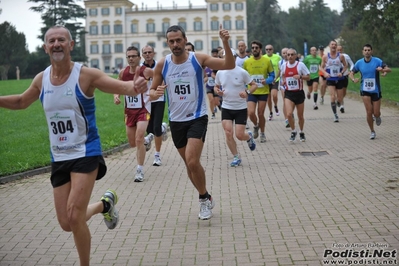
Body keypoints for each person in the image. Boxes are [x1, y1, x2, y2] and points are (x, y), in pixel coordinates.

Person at [0, 25, 149, 266]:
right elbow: (19, 102)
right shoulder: (41, 79)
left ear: (71, 45)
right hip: (58, 156)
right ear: (45, 47)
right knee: (67, 223)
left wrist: (136, 87)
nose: (56, 44)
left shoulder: (85, 75)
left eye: (61, 40)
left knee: (74, 214)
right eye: (51, 41)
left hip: (85, 152)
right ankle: (105, 205)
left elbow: (122, 87)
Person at [149, 24, 235, 220]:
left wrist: (225, 43)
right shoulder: (163, 65)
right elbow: (151, 93)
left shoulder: (198, 59)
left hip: (197, 117)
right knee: (190, 166)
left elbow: (228, 65)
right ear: (167, 43)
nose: (175, 44)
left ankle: (203, 200)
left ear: (185, 39)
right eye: (171, 41)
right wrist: (156, 93)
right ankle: (206, 195)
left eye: (178, 40)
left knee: (192, 160)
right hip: (176, 120)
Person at [114, 46, 155, 182]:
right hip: (129, 111)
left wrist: (154, 92)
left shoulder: (147, 71)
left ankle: (140, 170)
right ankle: (147, 140)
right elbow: (118, 86)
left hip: (143, 109)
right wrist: (116, 96)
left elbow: (159, 80)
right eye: (128, 56)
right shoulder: (123, 73)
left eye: (133, 56)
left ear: (139, 57)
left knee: (138, 138)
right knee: (133, 143)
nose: (131, 58)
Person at [214, 48, 257, 166]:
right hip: (227, 107)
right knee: (228, 133)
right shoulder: (220, 72)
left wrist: (247, 92)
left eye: (230, 56)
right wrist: (218, 91)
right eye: (225, 57)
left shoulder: (241, 72)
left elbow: (254, 85)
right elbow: (216, 86)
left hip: (240, 108)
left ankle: (248, 137)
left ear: (234, 58)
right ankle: (236, 157)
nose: (227, 59)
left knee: (239, 135)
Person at [349, 44, 391, 140]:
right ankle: (372, 131)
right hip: (365, 90)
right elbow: (351, 73)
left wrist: (383, 70)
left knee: (376, 113)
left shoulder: (377, 61)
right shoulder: (359, 63)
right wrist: (353, 79)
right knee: (369, 112)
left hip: (376, 90)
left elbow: (389, 69)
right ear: (362, 52)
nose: (367, 52)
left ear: (371, 51)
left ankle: (377, 116)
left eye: (369, 50)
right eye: (365, 50)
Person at [243, 40, 275, 143]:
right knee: (251, 112)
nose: (254, 49)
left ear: (260, 49)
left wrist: (267, 81)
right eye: (253, 48)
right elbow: (243, 76)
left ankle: (262, 133)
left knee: (261, 113)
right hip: (252, 91)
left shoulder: (266, 61)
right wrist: (244, 87)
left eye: (256, 47)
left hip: (263, 91)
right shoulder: (247, 62)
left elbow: (272, 76)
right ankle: (256, 125)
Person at [141, 45, 169, 167]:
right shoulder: (139, 68)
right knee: (149, 129)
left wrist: (152, 76)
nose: (147, 54)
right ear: (142, 55)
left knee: (155, 128)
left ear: (154, 53)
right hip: (146, 101)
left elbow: (164, 81)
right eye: (145, 52)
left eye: (150, 52)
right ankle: (163, 128)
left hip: (159, 99)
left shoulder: (160, 66)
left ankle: (157, 155)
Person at [281, 48, 310, 142]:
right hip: (289, 93)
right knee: (289, 114)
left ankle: (301, 132)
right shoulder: (284, 65)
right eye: (288, 55)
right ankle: (293, 131)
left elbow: (308, 77)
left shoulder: (300, 65)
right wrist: (284, 81)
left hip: (299, 93)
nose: (290, 56)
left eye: (292, 54)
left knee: (300, 116)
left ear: (295, 56)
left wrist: (300, 77)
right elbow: (283, 75)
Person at [321, 40, 347, 122]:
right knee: (332, 96)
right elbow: (321, 67)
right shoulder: (325, 57)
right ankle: (335, 115)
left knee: (339, 98)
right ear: (329, 46)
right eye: (332, 44)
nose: (333, 46)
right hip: (330, 78)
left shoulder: (341, 56)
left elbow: (346, 66)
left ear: (336, 46)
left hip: (339, 79)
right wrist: (325, 73)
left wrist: (341, 72)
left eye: (335, 44)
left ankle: (339, 103)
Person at [263, 44, 282, 121]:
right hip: (267, 80)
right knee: (268, 98)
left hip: (275, 79)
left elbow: (280, 68)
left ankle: (276, 106)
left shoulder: (277, 57)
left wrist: (278, 77)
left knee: (274, 95)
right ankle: (271, 112)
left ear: (272, 50)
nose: (268, 50)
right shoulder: (263, 57)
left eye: (270, 49)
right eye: (267, 49)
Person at [337, 45, 354, 113]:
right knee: (338, 91)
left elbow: (352, 64)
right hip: (337, 77)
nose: (339, 51)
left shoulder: (346, 56)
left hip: (345, 75)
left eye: (340, 50)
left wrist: (351, 70)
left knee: (343, 92)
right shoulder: (333, 57)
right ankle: (342, 106)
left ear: (342, 50)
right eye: (338, 50)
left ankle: (339, 100)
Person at [204, 48, 220, 119]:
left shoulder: (218, 66)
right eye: (213, 53)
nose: (214, 55)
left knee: (216, 102)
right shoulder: (206, 67)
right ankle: (213, 113)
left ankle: (219, 106)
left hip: (216, 86)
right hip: (209, 86)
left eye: (216, 53)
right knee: (211, 100)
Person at [278, 47, 290, 128]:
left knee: (290, 101)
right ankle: (286, 119)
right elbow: (279, 72)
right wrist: (275, 79)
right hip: (283, 85)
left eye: (287, 53)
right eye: (284, 53)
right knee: (285, 101)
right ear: (282, 54)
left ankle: (290, 114)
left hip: (292, 85)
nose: (285, 55)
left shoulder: (294, 62)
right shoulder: (280, 62)